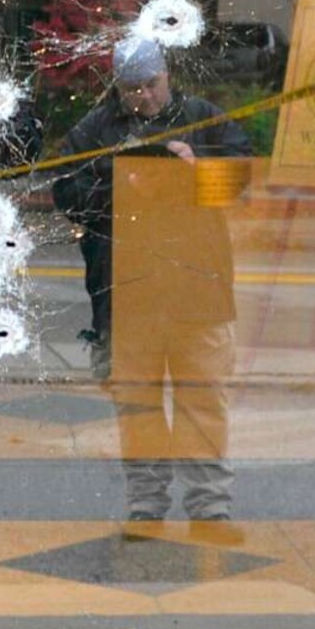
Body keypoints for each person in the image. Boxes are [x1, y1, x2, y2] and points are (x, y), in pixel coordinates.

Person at [54, 37, 255, 529]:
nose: (143, 96)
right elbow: (67, 192)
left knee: (203, 400)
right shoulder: (94, 130)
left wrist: (196, 171)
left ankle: (210, 505)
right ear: (117, 87)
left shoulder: (204, 118)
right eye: (131, 89)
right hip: (128, 292)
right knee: (137, 405)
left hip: (198, 292)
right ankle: (146, 503)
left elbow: (241, 181)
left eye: (151, 85)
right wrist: (121, 183)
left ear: (167, 76)